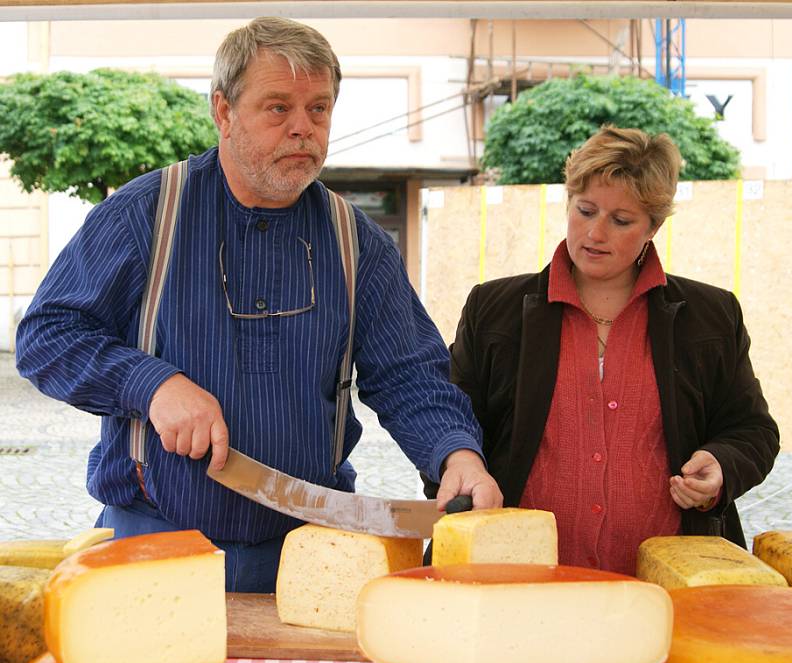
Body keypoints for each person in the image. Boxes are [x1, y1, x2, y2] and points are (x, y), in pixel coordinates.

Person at [15, 16, 502, 592]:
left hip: (309, 551)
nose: (303, 129)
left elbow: (409, 374)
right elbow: (47, 335)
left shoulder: (355, 241)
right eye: (278, 108)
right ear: (223, 111)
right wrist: (151, 385)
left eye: (318, 109)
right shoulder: (146, 214)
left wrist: (455, 455)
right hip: (154, 545)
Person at [423, 126, 779, 575]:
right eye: (585, 210)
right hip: (515, 578)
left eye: (621, 220)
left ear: (654, 226)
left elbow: (753, 431)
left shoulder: (711, 315)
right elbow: (445, 418)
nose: (595, 232)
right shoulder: (494, 309)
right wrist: (460, 473)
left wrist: (721, 467)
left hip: (669, 585)